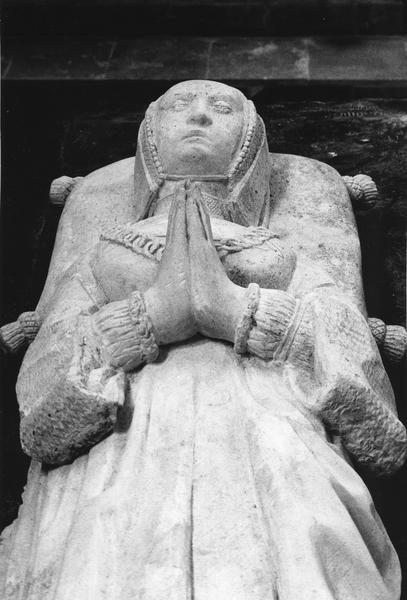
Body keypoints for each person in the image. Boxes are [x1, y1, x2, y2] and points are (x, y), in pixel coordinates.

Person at [0, 80, 405, 600]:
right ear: (150, 135)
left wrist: (239, 311)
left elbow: (366, 395)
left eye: (221, 108)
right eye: (178, 106)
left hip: (274, 432)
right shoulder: (104, 253)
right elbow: (43, 401)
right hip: (123, 442)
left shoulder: (281, 251)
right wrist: (149, 318)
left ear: (250, 140)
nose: (199, 118)